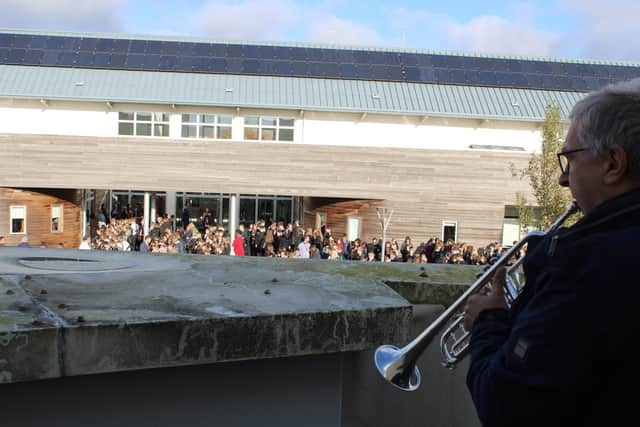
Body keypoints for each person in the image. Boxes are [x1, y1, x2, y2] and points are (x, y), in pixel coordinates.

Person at [463, 79, 640, 427]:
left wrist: (488, 322)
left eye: (569, 160)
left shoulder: (587, 266)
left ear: (613, 164)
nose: (562, 180)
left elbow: (504, 406)